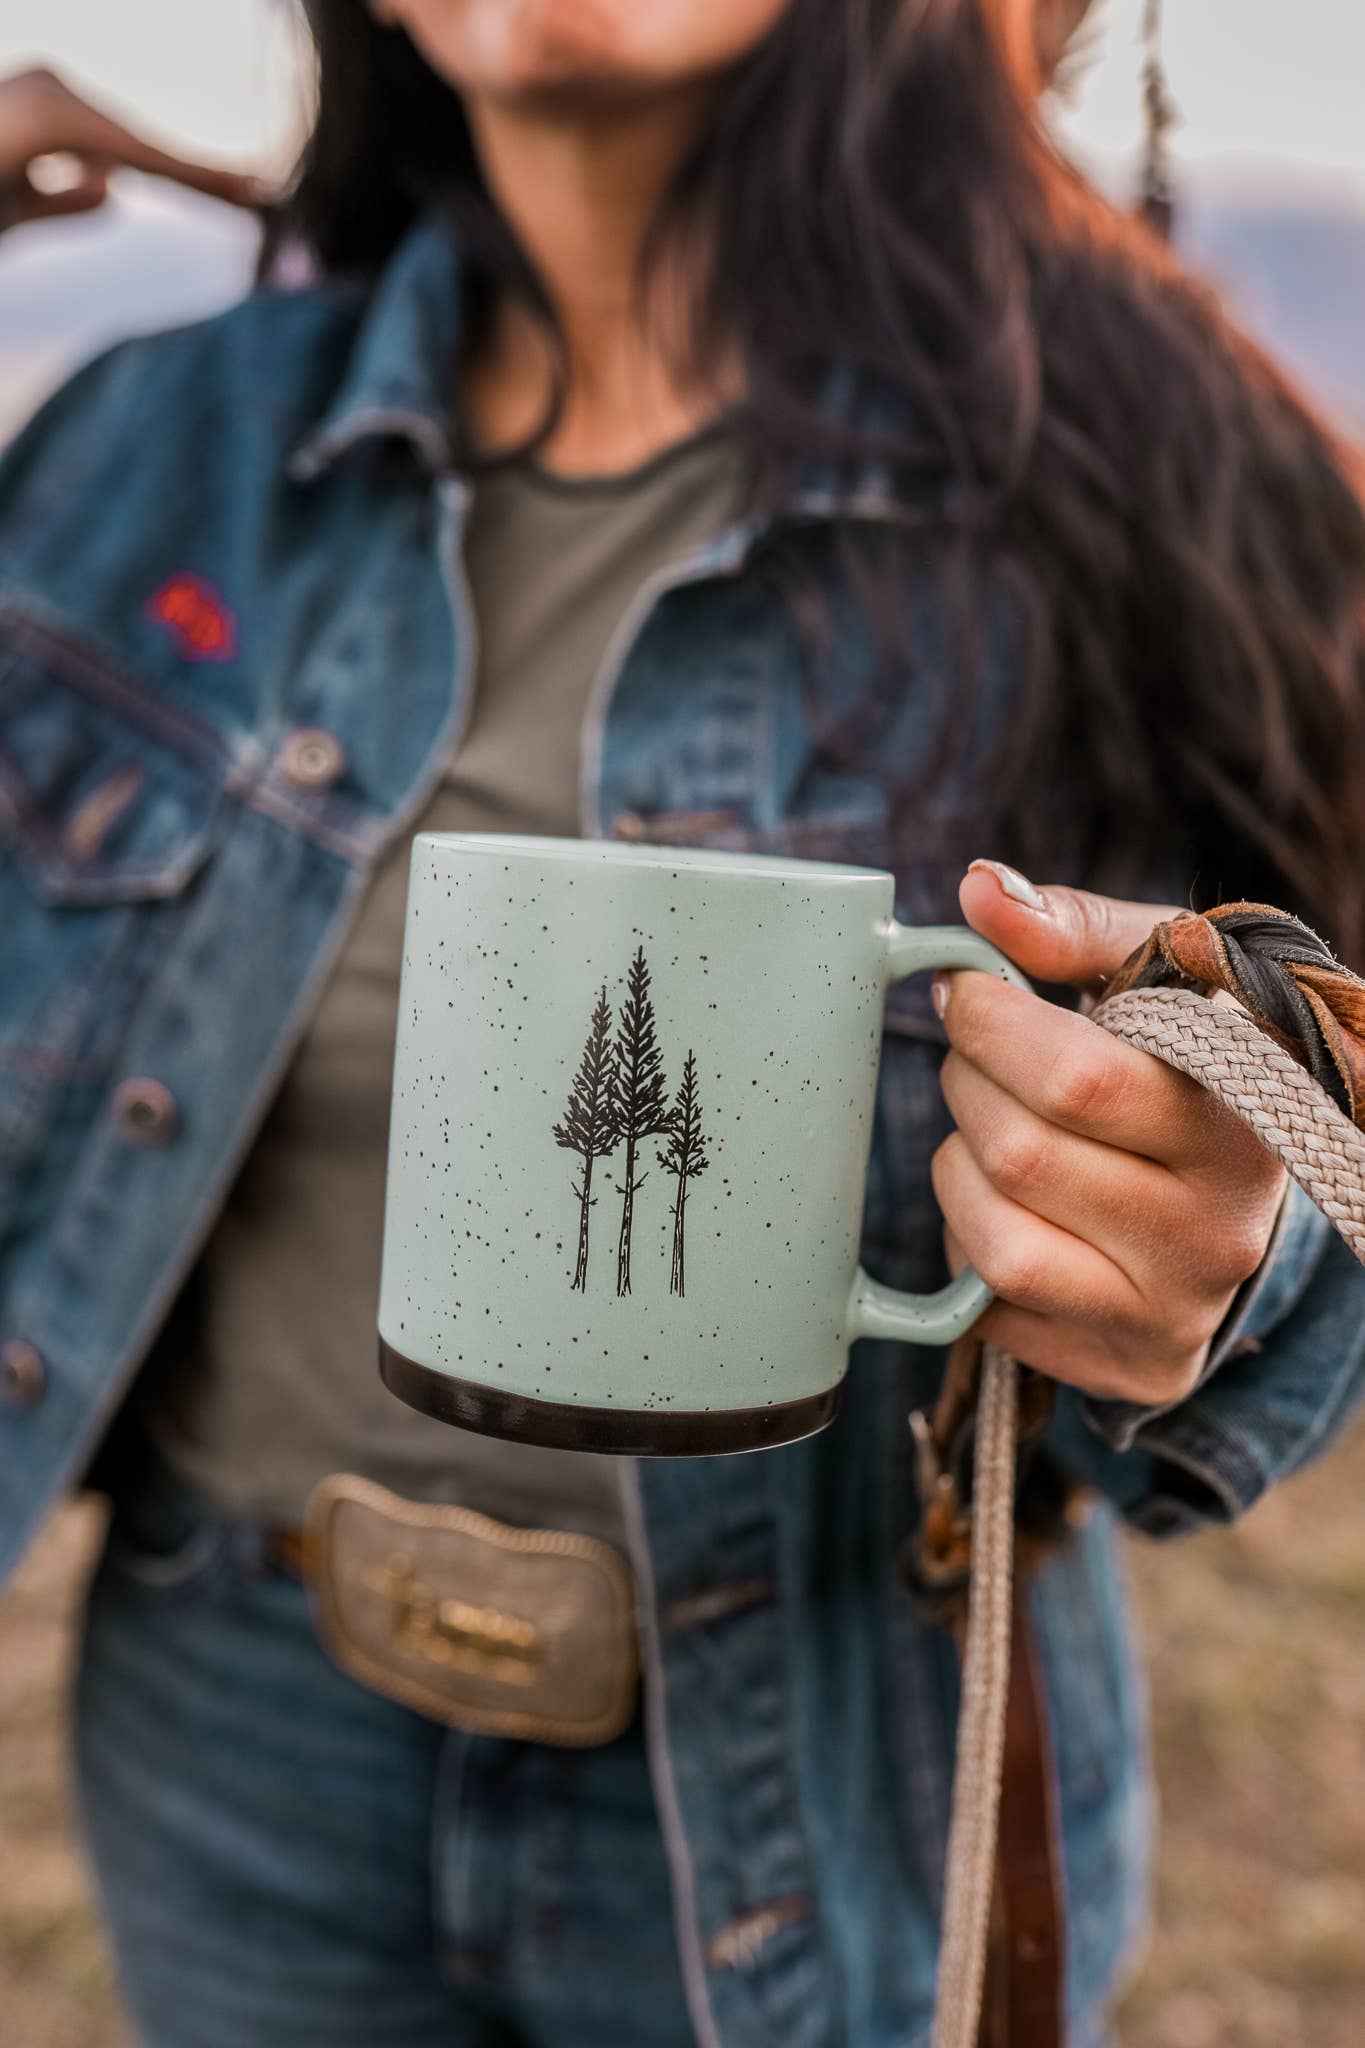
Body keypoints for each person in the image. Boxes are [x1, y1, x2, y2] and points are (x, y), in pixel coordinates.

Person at [1, 7, 1363, 2045]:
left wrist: (1233, 1250)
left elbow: (1327, 1148)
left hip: (834, 1765)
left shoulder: (1162, 475)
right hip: (231, 1731)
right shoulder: (142, 451)